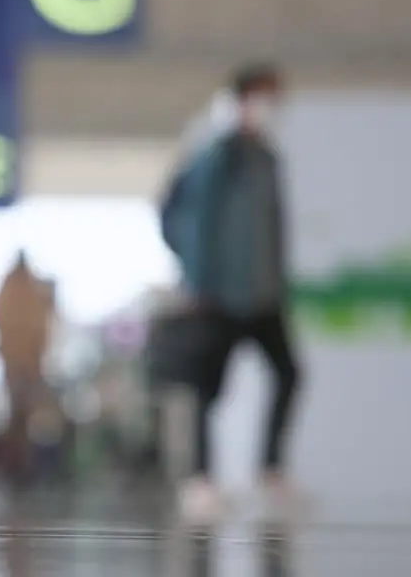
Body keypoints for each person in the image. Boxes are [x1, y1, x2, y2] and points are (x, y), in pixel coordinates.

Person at [163, 62, 303, 521]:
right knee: (207, 390)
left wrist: (278, 283)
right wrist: (197, 282)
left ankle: (271, 469)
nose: (271, 109)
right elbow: (193, 224)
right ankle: (201, 479)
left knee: (288, 373)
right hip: (216, 296)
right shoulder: (215, 158)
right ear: (240, 101)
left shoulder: (268, 158)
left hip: (262, 296)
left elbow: (274, 229)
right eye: (264, 97)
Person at [0, 251, 55, 480]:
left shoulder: (12, 289)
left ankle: (20, 463)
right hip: (23, 363)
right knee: (19, 416)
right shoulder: (26, 289)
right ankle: (17, 463)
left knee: (22, 416)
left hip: (20, 363)